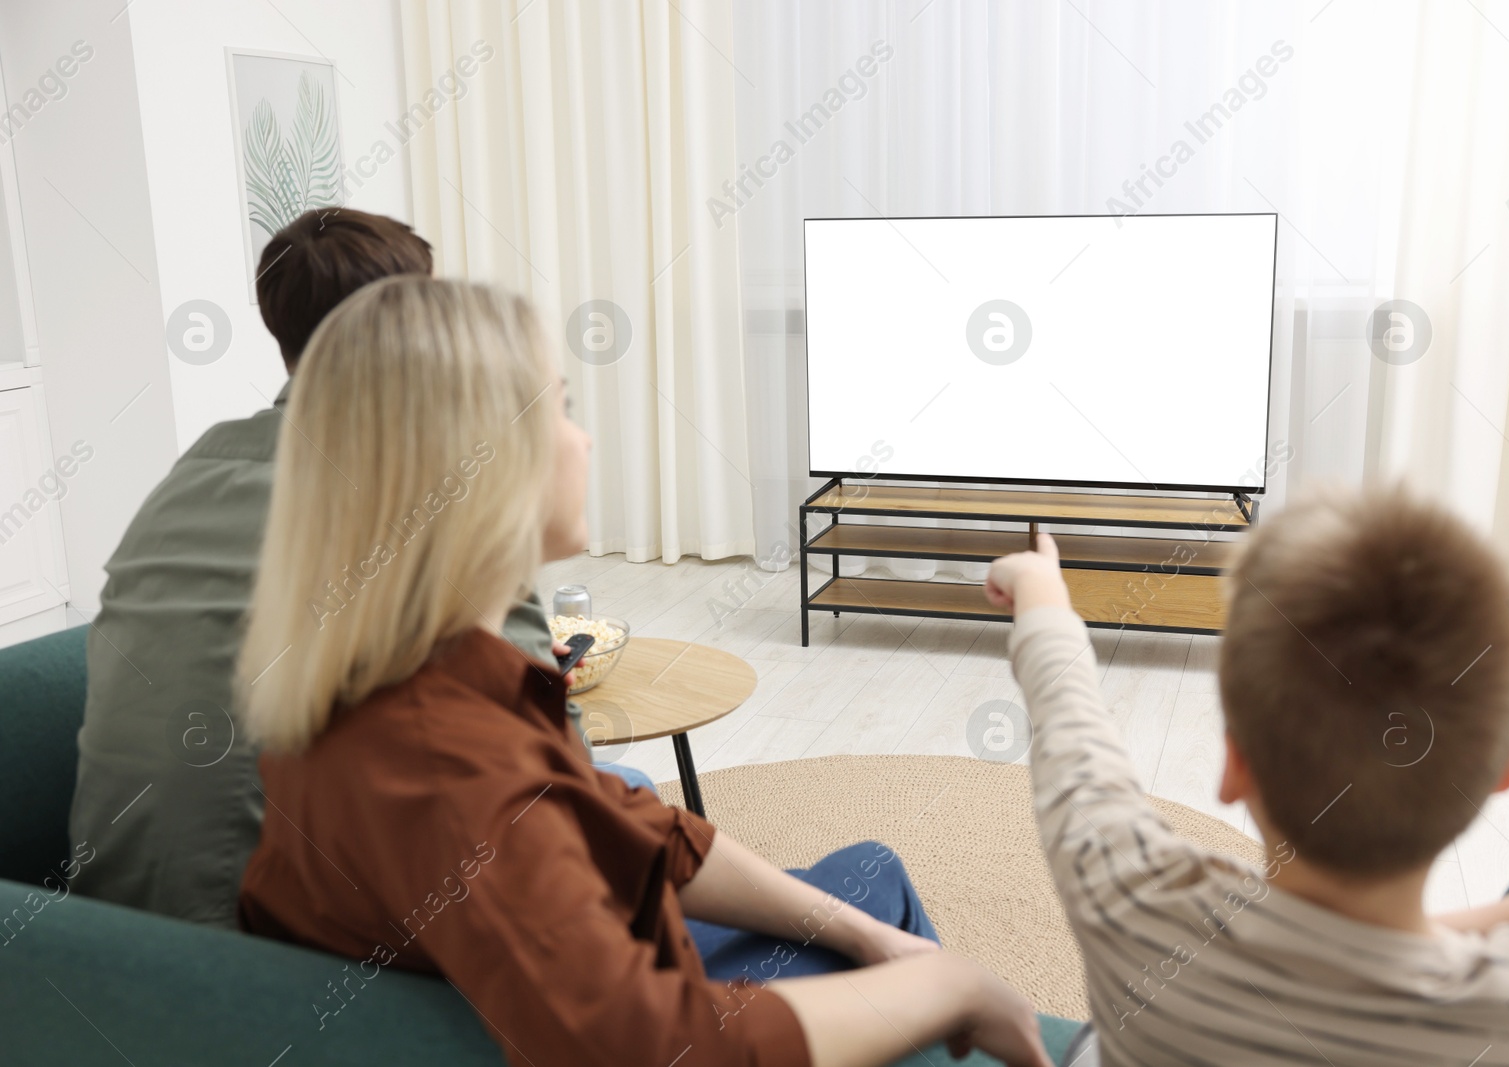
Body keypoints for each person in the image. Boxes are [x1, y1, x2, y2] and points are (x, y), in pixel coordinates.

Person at [233, 276, 1055, 1067]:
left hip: (517, 983)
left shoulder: (394, 677)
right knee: (907, 937)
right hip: (600, 1020)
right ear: (479, 464)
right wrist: (949, 989)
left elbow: (639, 829)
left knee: (871, 896)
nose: (584, 439)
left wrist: (859, 933)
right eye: (560, 408)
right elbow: (641, 1046)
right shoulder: (449, 758)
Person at [69, 208, 644, 931]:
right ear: (412, 332)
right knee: (632, 790)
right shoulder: (424, 479)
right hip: (278, 947)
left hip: (102, 931)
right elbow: (566, 778)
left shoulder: (199, 463)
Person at [986, 488, 1509, 1065]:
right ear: (1504, 770)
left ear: (1233, 767)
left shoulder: (1128, 894)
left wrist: (1040, 587)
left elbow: (1071, 728)